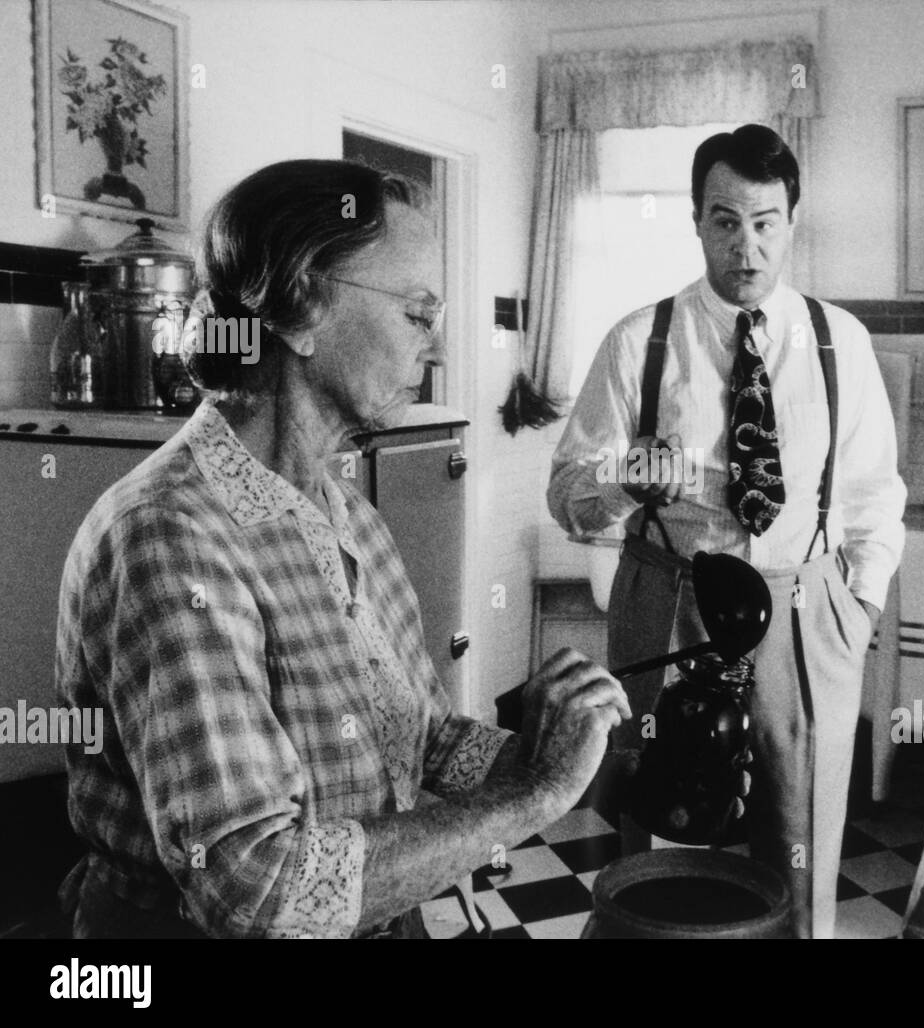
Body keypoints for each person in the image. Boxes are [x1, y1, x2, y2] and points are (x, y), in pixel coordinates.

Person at [55, 159, 629, 939]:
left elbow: (422, 735)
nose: (435, 350)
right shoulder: (169, 539)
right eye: (418, 313)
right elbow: (253, 894)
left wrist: (553, 751)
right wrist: (532, 797)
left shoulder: (349, 516)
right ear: (299, 309)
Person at [548, 124, 906, 938]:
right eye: (724, 220)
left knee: (799, 828)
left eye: (765, 221)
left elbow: (875, 495)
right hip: (670, 599)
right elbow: (567, 495)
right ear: (698, 219)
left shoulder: (837, 342)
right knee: (662, 820)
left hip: (806, 611)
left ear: (792, 222)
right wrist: (621, 478)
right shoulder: (638, 341)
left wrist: (861, 611)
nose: (746, 246)